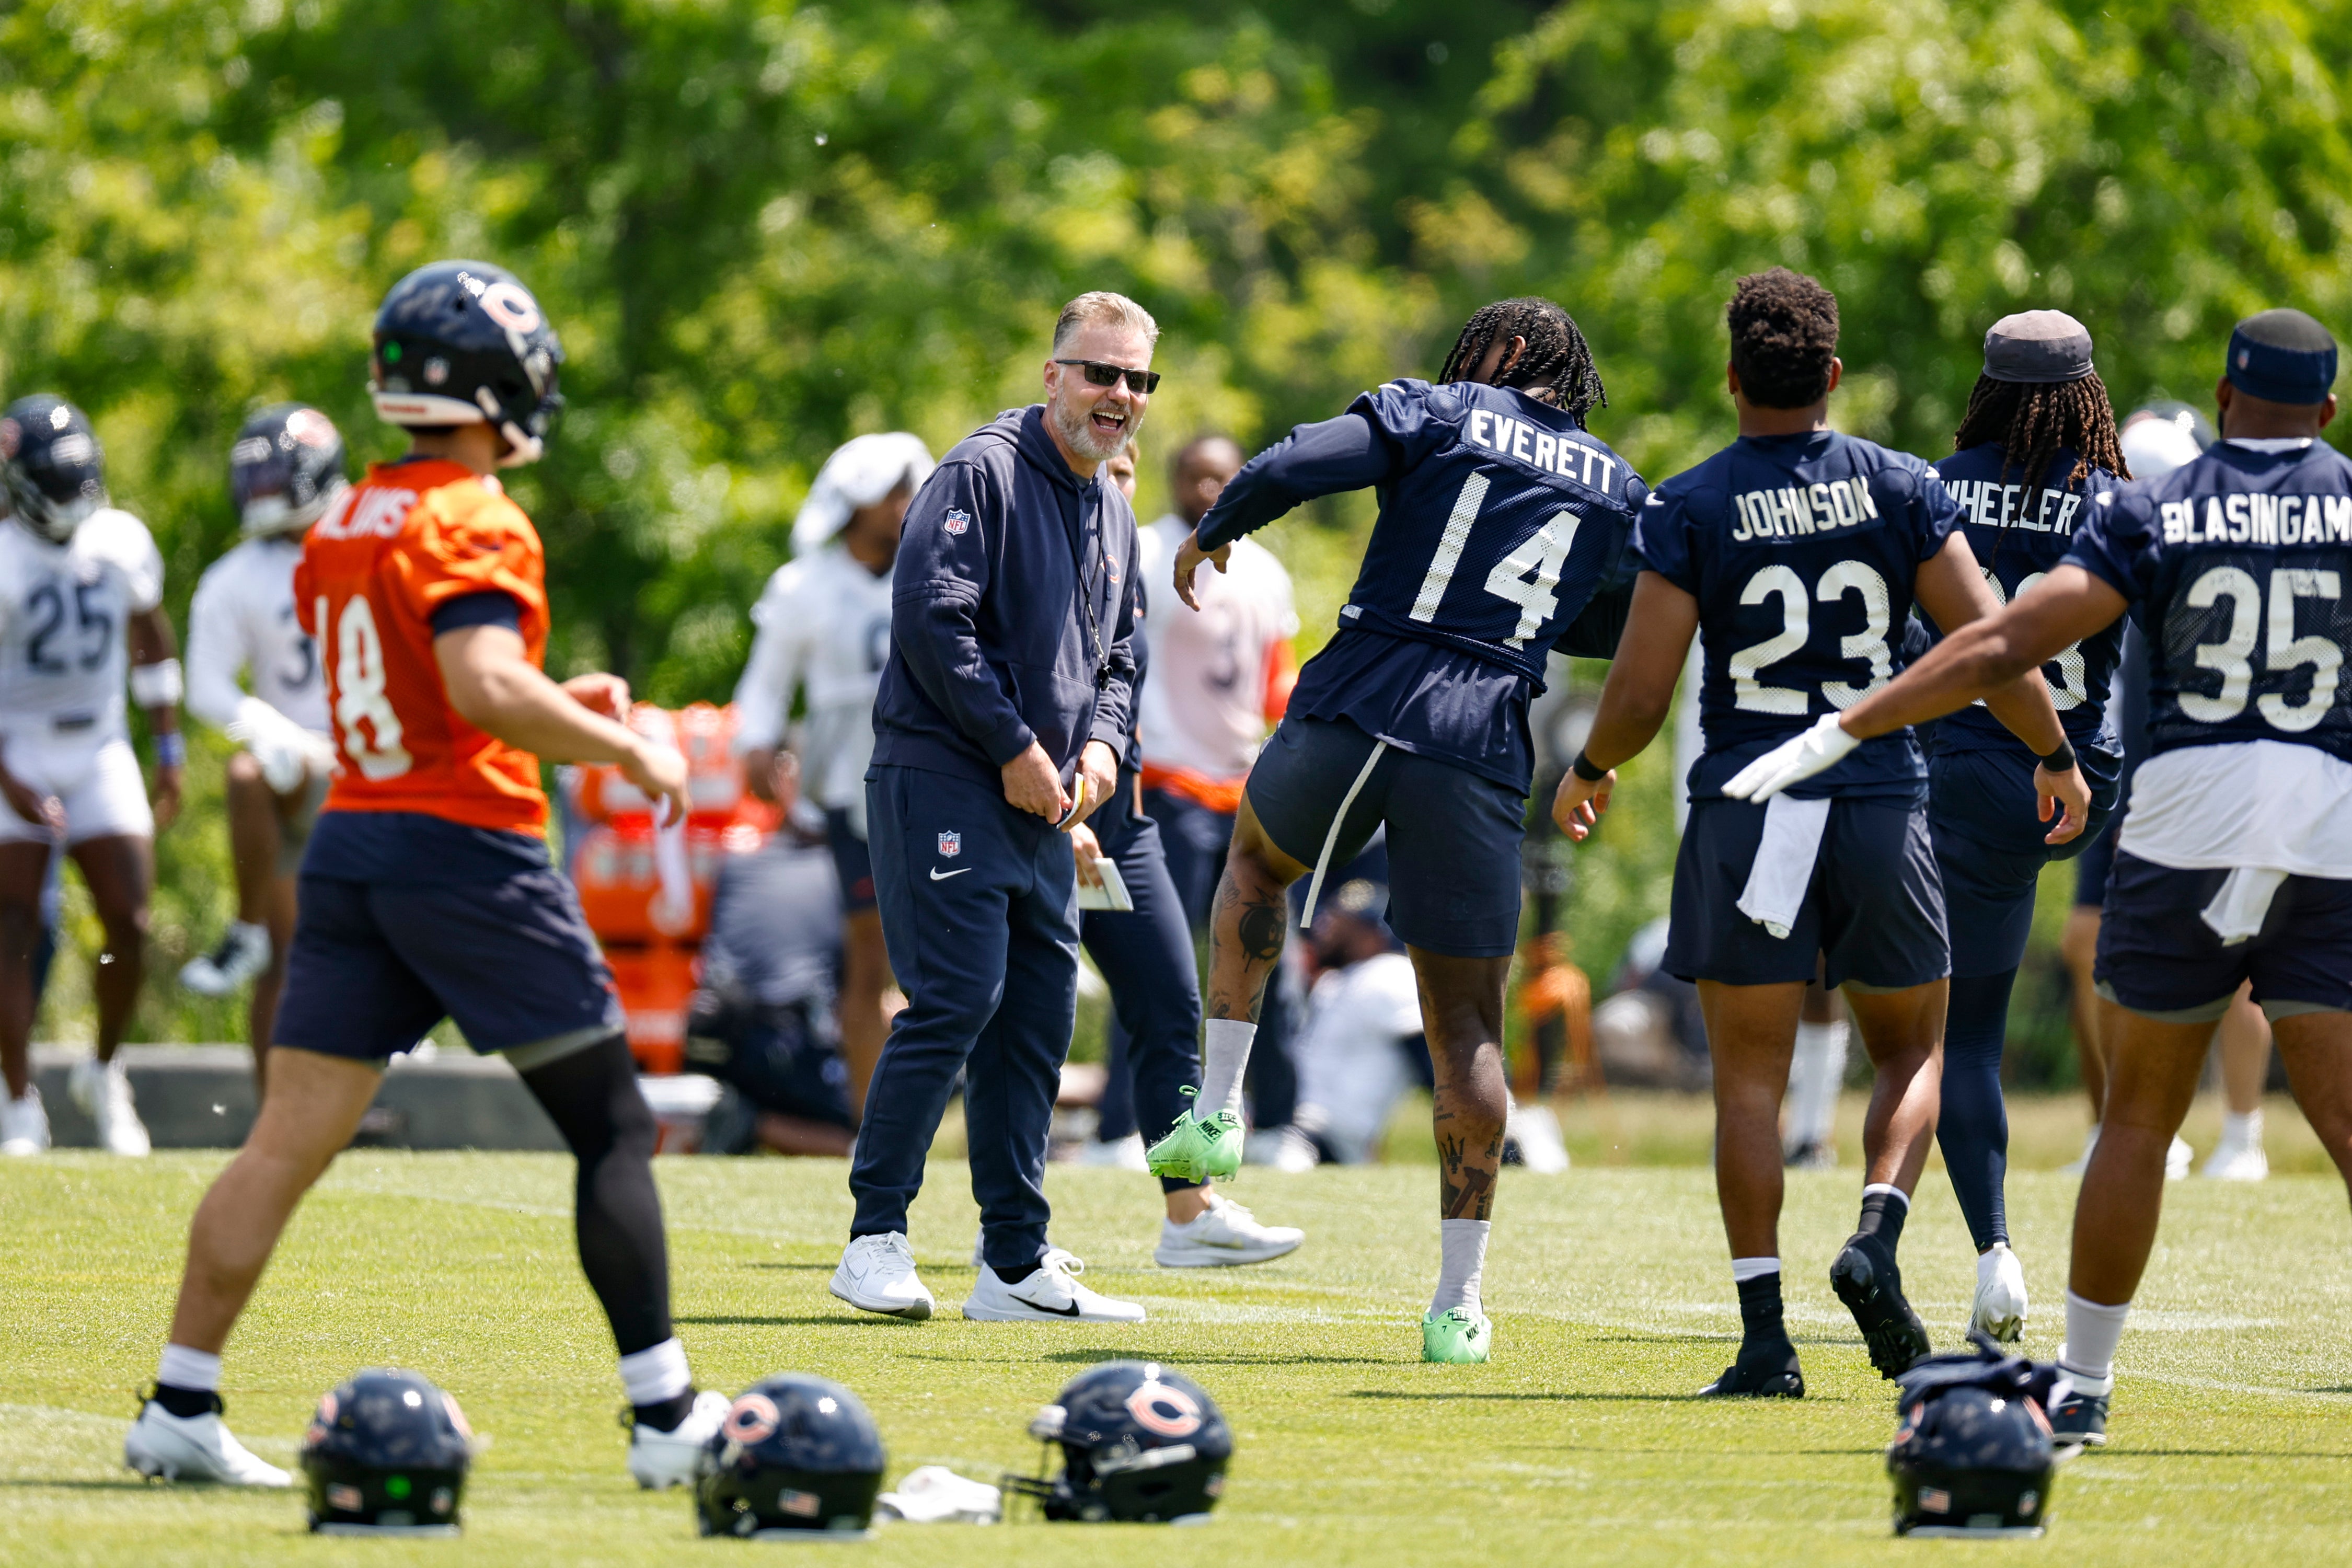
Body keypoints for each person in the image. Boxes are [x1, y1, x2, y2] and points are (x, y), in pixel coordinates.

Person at [123, 260, 729, 1490]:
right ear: (494, 381)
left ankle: (179, 1398)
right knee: (610, 1123)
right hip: (468, 853)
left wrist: (563, 702)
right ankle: (667, 1418)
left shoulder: (344, 516)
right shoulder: (475, 513)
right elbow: (479, 686)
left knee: (285, 1140)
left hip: (355, 843)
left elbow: (429, 685)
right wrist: (624, 742)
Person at [1716, 306, 2352, 1449]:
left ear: (2221, 398)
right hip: (2289, 820)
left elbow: (2000, 642)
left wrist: (1847, 725)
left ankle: (2078, 1371)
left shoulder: (2150, 504)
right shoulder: (2145, 491)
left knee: (2124, 1108)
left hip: (2128, 806)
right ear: (2331, 409)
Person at [1552, 269, 2088, 1397]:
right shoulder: (1898, 484)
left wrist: (1592, 767)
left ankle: (1763, 1340)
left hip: (1748, 808)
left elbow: (1644, 691)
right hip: (1880, 801)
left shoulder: (1691, 504)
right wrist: (2054, 753)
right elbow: (1988, 647)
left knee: (1747, 1087)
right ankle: (1876, 1238)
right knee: (1915, 1049)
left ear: (1734, 376)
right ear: (1833, 376)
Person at [1162, 295, 1650, 1365]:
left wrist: (1218, 526)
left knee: (1256, 864)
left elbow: (1299, 460)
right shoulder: (1615, 481)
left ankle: (1217, 1113)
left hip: (1365, 690)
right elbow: (1624, 614)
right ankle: (1457, 1307)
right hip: (1482, 734)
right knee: (1467, 1023)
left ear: (1507, 353)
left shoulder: (1435, 410)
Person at [827, 291, 1152, 1326]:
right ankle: (874, 1238)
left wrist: (1101, 744)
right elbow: (934, 622)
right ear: (1053, 375)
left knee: (1038, 1017)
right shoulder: (983, 471)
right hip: (946, 776)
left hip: (1045, 799)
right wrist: (1014, 746)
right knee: (958, 997)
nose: (1119, 395)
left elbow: (1119, 659)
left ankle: (1013, 1263)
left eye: (1138, 380)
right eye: (1100, 372)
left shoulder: (1107, 499)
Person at [1911, 312, 2133, 1344]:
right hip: (2083, 785)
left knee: (1959, 1040)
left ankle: (1993, 1248)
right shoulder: (2120, 503)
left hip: (1964, 779)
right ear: (2091, 394)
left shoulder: (1937, 486)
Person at [1065, 445, 1303, 1266]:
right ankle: (1100, 1143)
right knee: (1126, 979)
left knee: (1229, 968)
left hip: (1236, 789)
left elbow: (1277, 678)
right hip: (1147, 787)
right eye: (1191, 475)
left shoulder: (1264, 572)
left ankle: (1253, 1142)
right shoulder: (1119, 546)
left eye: (1220, 477)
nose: (1205, 490)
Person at [731, 432, 934, 1125]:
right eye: (893, 492)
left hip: (937, 785)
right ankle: (870, 1125)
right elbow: (765, 685)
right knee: (868, 955)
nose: (907, 504)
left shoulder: (939, 566)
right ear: (856, 504)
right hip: (853, 793)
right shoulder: (805, 587)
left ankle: (939, 1117)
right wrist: (757, 745)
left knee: (955, 954)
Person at [0, 395, 184, 1159]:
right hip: (15, 745)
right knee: (11, 931)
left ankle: (104, 1070)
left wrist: (168, 748)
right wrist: (8, 777)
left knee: (131, 923)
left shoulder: (122, 540)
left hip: (101, 744)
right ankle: (16, 1100)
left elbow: (149, 631)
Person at [178, 405, 345, 1086]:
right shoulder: (237, 576)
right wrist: (274, 730)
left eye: (274, 476)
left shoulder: (371, 540)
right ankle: (245, 934)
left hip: (378, 763)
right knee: (287, 952)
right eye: (253, 478)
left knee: (369, 945)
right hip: (300, 767)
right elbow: (206, 685)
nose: (259, 492)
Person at [686, 752, 857, 1158]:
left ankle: (747, 1117)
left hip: (720, 1043)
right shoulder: (846, 872)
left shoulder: (736, 863)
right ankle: (754, 1124)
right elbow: (863, 991)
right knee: (868, 1140)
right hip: (790, 1044)